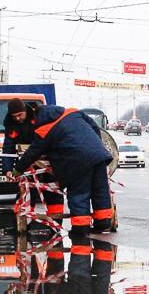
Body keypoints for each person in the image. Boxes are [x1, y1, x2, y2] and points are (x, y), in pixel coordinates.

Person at [7, 99, 113, 236]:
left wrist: (17, 170)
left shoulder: (44, 129)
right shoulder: (73, 112)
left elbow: (32, 153)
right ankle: (103, 224)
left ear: (37, 116)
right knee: (100, 190)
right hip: (98, 155)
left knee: (79, 193)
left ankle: (81, 229)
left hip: (76, 161)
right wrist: (94, 146)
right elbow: (94, 128)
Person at [2, 99, 65, 222]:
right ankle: (23, 223)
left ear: (25, 111)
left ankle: (56, 223)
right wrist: (7, 169)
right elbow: (8, 148)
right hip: (27, 163)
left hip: (48, 161)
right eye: (14, 116)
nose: (18, 119)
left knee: (53, 191)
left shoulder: (38, 116)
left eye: (20, 115)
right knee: (26, 191)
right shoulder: (10, 124)